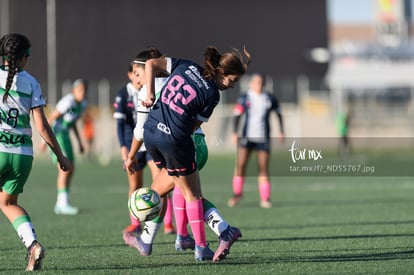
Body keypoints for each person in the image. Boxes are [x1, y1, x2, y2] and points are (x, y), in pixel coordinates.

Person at [126, 45, 251, 261]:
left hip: (151, 133)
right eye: (233, 81)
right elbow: (191, 128)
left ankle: (152, 241)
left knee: (161, 188)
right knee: (191, 195)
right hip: (174, 141)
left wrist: (150, 94)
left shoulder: (186, 65)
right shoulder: (212, 95)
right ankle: (214, 238)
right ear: (221, 72)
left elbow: (151, 64)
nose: (232, 86)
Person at [0, 33, 72, 271]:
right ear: (24, 58)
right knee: (8, 203)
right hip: (22, 155)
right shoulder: (31, 82)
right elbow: (41, 126)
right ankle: (32, 245)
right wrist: (60, 156)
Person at [113, 59, 175, 248]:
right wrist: (124, 148)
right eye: (135, 73)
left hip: (151, 144)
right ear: (130, 74)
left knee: (159, 183)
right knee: (135, 185)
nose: (138, 76)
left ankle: (168, 223)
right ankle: (136, 223)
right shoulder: (123, 94)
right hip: (134, 145)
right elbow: (121, 125)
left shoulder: (153, 88)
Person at [228, 73, 285, 209]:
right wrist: (235, 132)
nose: (258, 85)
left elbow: (279, 114)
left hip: (263, 137)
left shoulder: (269, 98)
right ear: (251, 84)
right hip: (247, 137)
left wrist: (281, 131)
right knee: (240, 165)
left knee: (263, 168)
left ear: (263, 84)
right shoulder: (245, 98)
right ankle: (237, 194)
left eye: (260, 82)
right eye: (255, 82)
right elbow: (237, 115)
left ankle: (265, 198)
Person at [41, 78, 88, 215]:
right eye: (80, 90)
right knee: (64, 169)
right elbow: (51, 118)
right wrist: (44, 141)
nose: (83, 92)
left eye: (84, 90)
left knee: (71, 168)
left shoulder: (83, 104)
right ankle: (62, 204)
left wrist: (79, 142)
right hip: (58, 135)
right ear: (74, 91)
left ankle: (62, 203)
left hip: (66, 135)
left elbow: (72, 123)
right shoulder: (67, 101)